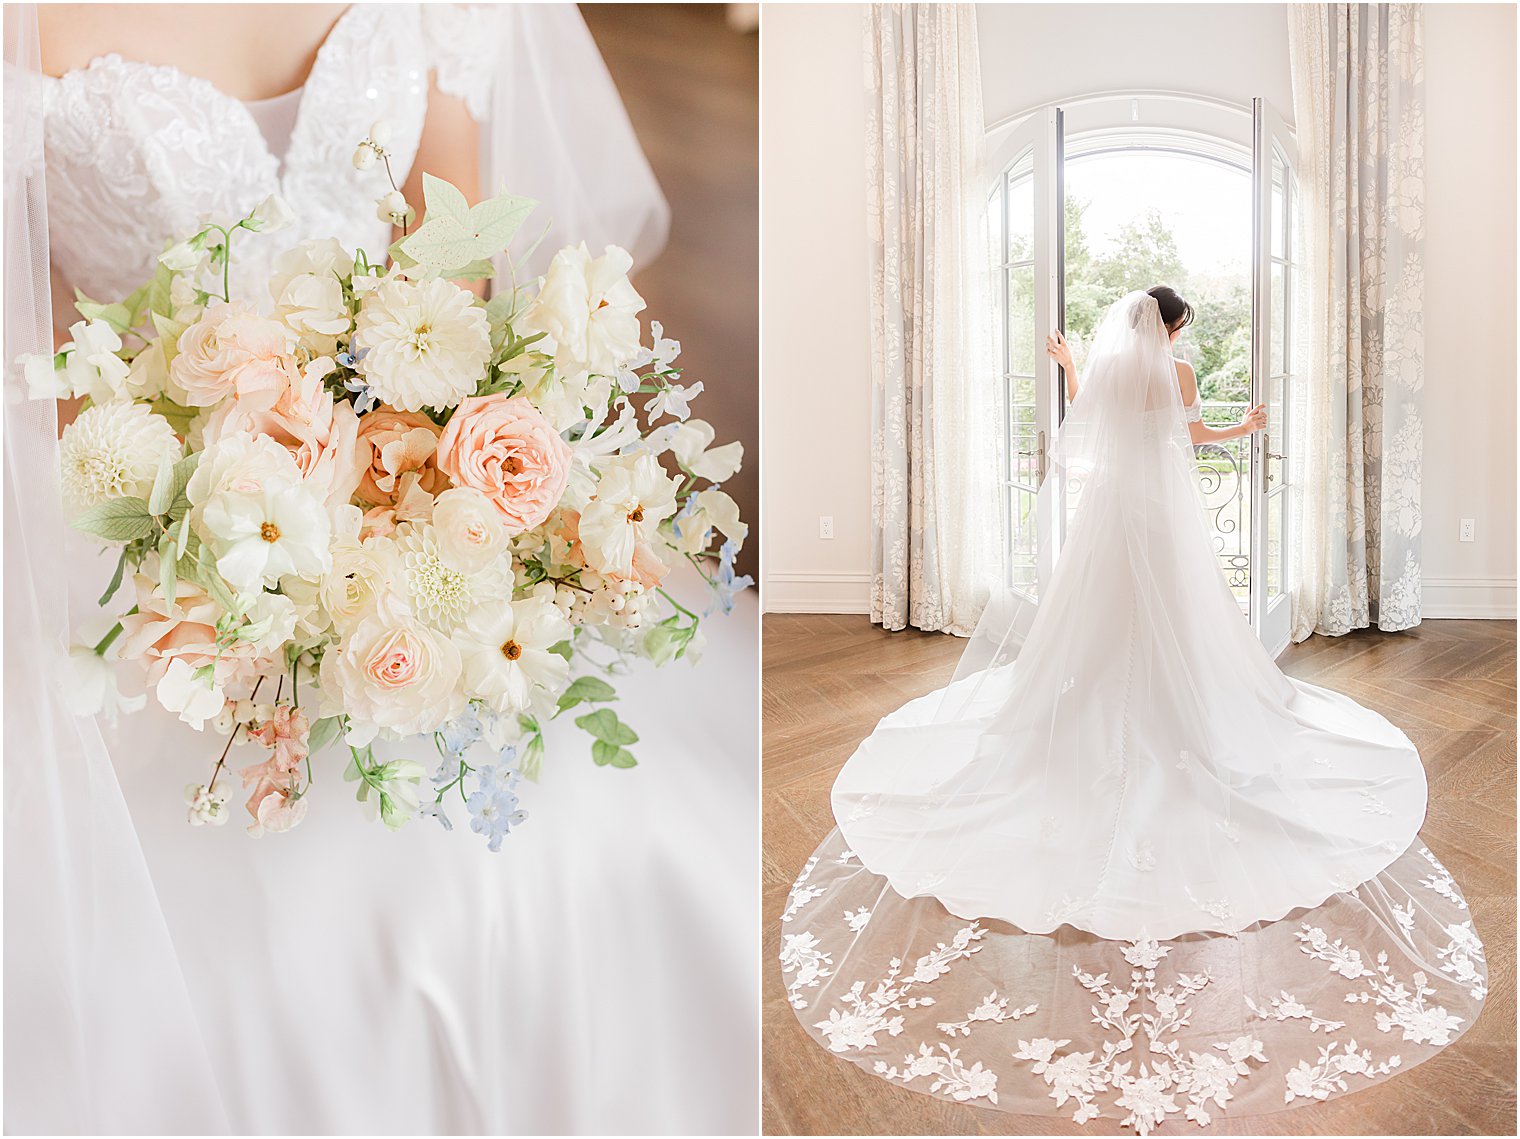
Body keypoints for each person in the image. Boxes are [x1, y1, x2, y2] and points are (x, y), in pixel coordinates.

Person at [5, 5, 753, 1133]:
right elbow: (38, 355)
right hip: (157, 531)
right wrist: (207, 547)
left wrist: (419, 500)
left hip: (407, 501)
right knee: (236, 953)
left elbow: (451, 265)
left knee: (617, 829)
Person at [781, 290, 1485, 1131]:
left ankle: (1083, 726)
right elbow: (1187, 437)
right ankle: (1182, 722)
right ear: (1176, 330)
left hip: (1108, 528)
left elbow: (1090, 424)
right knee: (1176, 630)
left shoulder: (1112, 374)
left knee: (1096, 633)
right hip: (1164, 526)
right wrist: (1247, 429)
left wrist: (1074, 363)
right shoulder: (1180, 374)